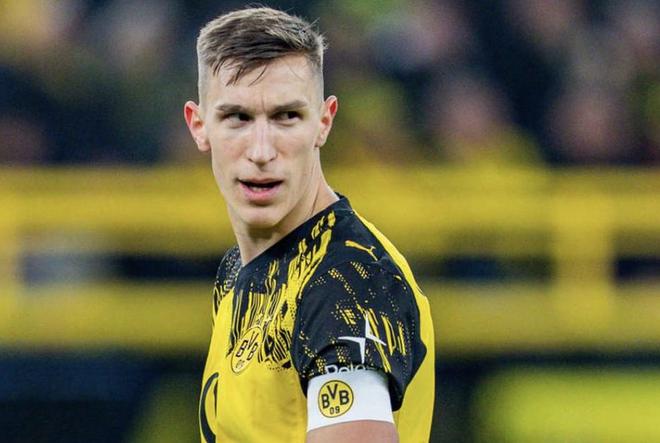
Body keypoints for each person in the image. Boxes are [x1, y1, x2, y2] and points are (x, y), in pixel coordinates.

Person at [183, 7, 435, 442]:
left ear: (324, 122)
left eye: (286, 117)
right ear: (199, 126)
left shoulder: (345, 280)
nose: (261, 151)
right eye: (237, 117)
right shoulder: (240, 270)